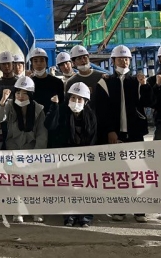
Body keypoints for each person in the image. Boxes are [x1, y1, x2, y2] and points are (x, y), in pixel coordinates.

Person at [92, 44, 153, 223]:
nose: (124, 61)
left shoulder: (137, 81)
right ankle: (120, 207)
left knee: (137, 172)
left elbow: (149, 102)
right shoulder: (105, 82)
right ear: (113, 61)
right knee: (118, 173)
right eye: (120, 59)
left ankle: (140, 209)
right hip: (114, 134)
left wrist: (145, 85)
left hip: (135, 134)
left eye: (126, 58)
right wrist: (110, 131)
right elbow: (101, 110)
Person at [0, 76, 48, 223]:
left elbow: (42, 134)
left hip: (30, 152)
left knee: (33, 183)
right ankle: (17, 211)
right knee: (14, 182)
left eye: (24, 93)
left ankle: (36, 210)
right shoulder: (10, 105)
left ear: (30, 95)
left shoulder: (39, 109)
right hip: (12, 151)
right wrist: (2, 101)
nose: (20, 96)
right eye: (18, 92)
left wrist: (35, 157)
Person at [44, 82, 97, 227]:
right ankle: (69, 216)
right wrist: (54, 106)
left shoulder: (91, 117)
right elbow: (49, 125)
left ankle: (85, 216)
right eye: (73, 98)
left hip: (84, 159)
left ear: (86, 101)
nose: (76, 102)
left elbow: (93, 139)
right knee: (67, 187)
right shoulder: (61, 112)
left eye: (80, 99)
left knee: (85, 187)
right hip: (65, 158)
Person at [28, 48, 64, 144]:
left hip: (53, 125)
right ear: (32, 64)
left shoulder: (57, 82)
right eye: (35, 61)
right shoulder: (28, 83)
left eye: (41, 60)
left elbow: (61, 106)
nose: (39, 64)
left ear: (46, 63)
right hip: (34, 126)